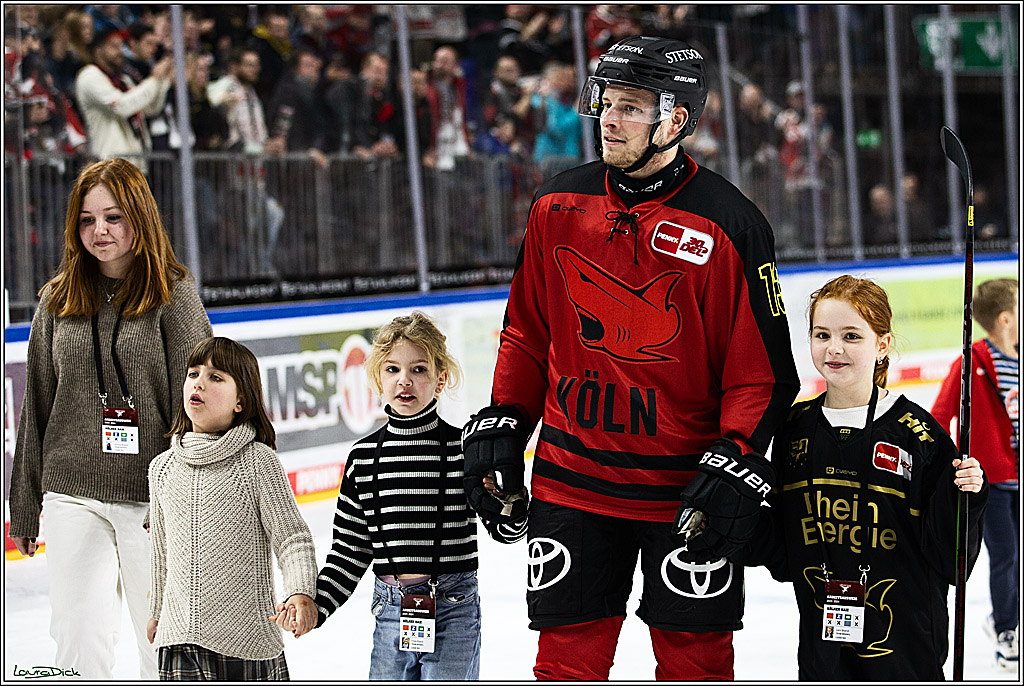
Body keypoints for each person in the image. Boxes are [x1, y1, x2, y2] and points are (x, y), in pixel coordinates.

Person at [460, 35, 800, 680]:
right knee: (565, 663)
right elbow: (527, 334)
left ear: (677, 119)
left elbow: (761, 373)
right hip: (571, 480)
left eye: (632, 107)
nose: (609, 120)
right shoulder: (557, 206)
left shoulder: (732, 224)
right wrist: (506, 418)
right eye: (605, 103)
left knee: (694, 664)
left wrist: (739, 460)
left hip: (684, 492)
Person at [8, 157, 213, 680]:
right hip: (72, 490)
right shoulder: (57, 300)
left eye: (114, 217)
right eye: (86, 219)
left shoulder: (174, 294)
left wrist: (198, 498)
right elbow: (37, 407)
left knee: (163, 642)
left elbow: (200, 403)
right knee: (79, 641)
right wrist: (25, 501)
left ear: (140, 218)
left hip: (155, 500)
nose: (99, 230)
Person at [739, 274, 987, 680]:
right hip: (823, 648)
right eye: (822, 335)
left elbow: (950, 558)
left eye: (851, 336)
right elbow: (787, 549)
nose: (833, 348)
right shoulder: (794, 427)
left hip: (907, 646)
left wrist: (969, 495)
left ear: (883, 344)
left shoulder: (916, 432)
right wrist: (738, 516)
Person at [309, 312, 527, 680]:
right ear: (378, 377)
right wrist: (317, 606)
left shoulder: (463, 448)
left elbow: (509, 530)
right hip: (390, 611)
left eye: (419, 369)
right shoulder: (363, 459)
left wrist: (509, 502)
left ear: (441, 378)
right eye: (392, 369)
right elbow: (350, 550)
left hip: (454, 608)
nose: (404, 380)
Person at [147, 336, 318, 680]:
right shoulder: (162, 468)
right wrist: (156, 613)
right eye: (193, 373)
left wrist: (301, 593)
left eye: (215, 377)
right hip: (178, 641)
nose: (198, 383)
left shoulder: (257, 462)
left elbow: (292, 539)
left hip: (248, 643)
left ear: (241, 400)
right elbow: (161, 553)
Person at [932, 277, 1018, 671]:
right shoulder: (971, 363)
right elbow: (937, 418)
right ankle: (1006, 630)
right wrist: (951, 465)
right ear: (1005, 318)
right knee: (1005, 556)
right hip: (993, 481)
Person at [74, 25, 174, 174]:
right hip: (109, 167)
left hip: (135, 164)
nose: (120, 51)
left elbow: (150, 109)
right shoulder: (89, 77)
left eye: (121, 46)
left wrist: (162, 81)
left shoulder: (123, 80)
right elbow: (122, 106)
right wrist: (154, 80)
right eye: (114, 46)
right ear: (98, 50)